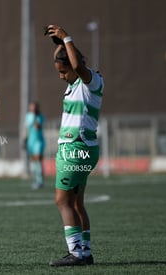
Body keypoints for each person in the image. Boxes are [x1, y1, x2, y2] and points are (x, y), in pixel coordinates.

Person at [44, 24, 104, 266]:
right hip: (81, 148)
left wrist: (67, 36)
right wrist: (60, 45)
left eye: (63, 71)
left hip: (76, 149)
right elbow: (72, 63)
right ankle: (85, 252)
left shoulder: (90, 81)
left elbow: (77, 65)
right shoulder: (74, 86)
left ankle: (76, 253)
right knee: (77, 202)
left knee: (62, 201)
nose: (61, 76)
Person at [25, 102, 45, 189]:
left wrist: (35, 117)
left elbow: (37, 126)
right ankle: (36, 180)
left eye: (34, 107)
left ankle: (40, 181)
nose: (33, 109)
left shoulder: (40, 117)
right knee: (33, 161)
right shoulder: (28, 116)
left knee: (38, 159)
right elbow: (27, 127)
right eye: (31, 107)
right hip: (31, 141)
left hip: (38, 141)